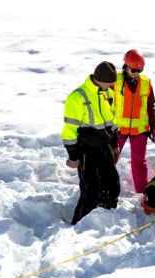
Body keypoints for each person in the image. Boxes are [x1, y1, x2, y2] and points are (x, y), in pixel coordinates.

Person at [62, 61, 121, 225]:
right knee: (91, 191)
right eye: (110, 82)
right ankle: (78, 225)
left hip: (105, 146)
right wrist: (74, 156)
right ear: (101, 79)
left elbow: (112, 122)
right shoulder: (77, 97)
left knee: (112, 185)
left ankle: (107, 220)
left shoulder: (107, 93)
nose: (112, 85)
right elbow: (69, 130)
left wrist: (114, 145)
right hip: (86, 150)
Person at [114, 49, 155, 194]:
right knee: (110, 159)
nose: (136, 73)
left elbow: (150, 105)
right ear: (126, 66)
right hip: (118, 128)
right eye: (133, 70)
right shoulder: (115, 80)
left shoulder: (146, 83)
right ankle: (100, 187)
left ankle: (142, 193)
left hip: (139, 129)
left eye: (140, 70)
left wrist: (153, 126)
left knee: (139, 162)